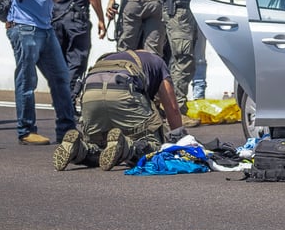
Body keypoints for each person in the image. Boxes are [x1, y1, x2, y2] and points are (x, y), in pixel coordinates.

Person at [5, 0, 78, 145]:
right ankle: (26, 130)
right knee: (27, 80)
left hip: (46, 27)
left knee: (61, 77)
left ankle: (67, 129)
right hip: (24, 26)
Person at [52, 49, 187, 172]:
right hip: (123, 91)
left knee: (101, 145)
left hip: (90, 94)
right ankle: (128, 148)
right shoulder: (158, 63)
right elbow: (172, 108)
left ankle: (79, 149)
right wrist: (180, 142)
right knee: (157, 147)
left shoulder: (111, 57)